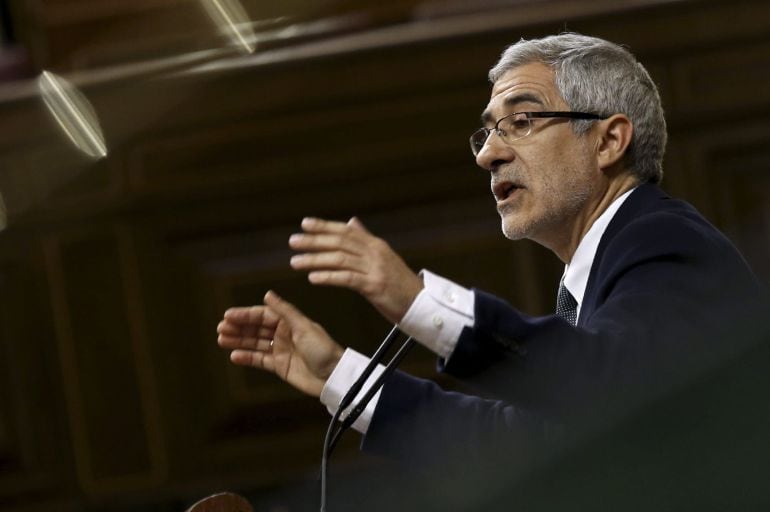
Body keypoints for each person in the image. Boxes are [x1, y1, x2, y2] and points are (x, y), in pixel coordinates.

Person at [216, 33, 768, 487]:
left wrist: (418, 303)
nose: (487, 154)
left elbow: (609, 389)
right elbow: (513, 443)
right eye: (488, 130)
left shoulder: (662, 240)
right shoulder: (607, 272)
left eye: (521, 121)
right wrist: (338, 373)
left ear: (608, 141)